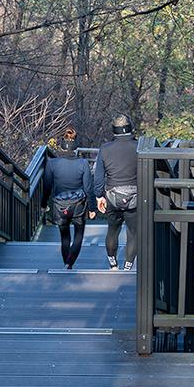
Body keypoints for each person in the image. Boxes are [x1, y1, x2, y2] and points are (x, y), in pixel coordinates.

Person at [42, 128, 94, 269]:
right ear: (75, 146)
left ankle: (67, 262)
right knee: (79, 234)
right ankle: (69, 263)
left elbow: (47, 186)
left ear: (61, 146)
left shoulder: (52, 163)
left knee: (64, 237)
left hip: (60, 205)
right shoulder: (83, 163)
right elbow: (88, 187)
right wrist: (92, 207)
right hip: (78, 204)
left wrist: (43, 204)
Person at [93, 114, 138, 271]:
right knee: (133, 233)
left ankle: (113, 264)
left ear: (114, 130)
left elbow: (98, 176)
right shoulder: (139, 147)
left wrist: (99, 196)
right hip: (135, 196)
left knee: (113, 229)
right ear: (130, 128)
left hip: (112, 196)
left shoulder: (105, 149)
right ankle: (128, 266)